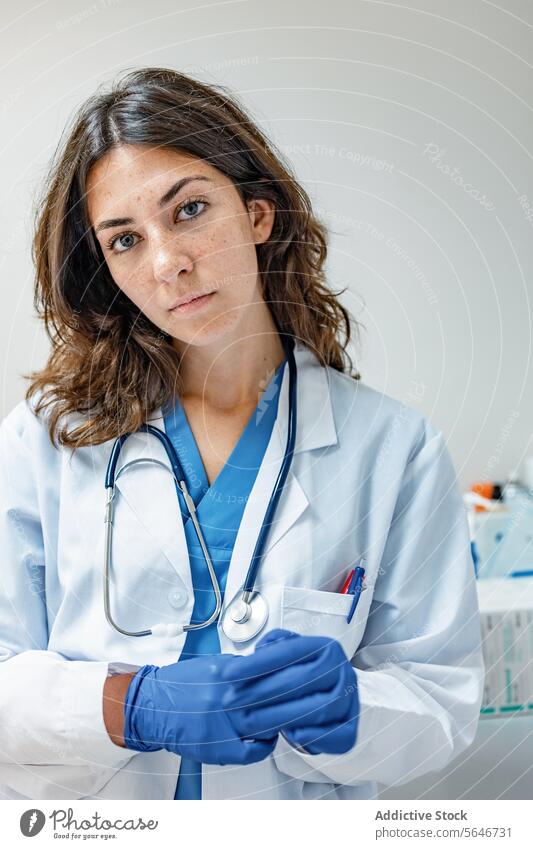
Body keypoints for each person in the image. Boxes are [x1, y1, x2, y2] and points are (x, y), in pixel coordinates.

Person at [0, 67, 484, 801]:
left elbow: (441, 698)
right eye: (124, 239)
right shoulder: (47, 441)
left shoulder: (392, 448)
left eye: (189, 209)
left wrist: (354, 711)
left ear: (257, 214)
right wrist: (126, 706)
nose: (167, 263)